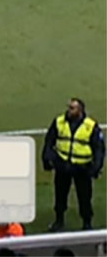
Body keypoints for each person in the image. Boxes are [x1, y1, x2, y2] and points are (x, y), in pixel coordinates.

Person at [44, 97, 104, 231]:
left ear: (80, 110)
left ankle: (87, 222)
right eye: (68, 107)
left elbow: (99, 148)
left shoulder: (90, 126)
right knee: (60, 196)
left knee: (85, 197)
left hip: (82, 168)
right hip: (63, 166)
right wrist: (48, 158)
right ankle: (59, 220)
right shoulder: (59, 122)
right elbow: (50, 140)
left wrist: (96, 167)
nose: (69, 110)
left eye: (72, 108)